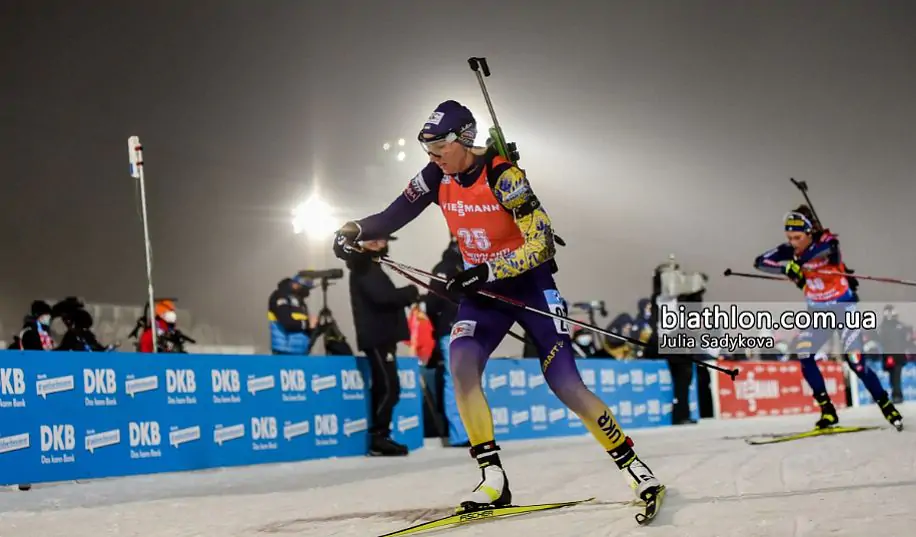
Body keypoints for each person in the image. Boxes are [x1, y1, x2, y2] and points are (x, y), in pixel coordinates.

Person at [333, 100, 663, 517]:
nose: (432, 158)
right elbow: (390, 217)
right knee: (462, 366)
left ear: (464, 141)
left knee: (565, 383)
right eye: (427, 149)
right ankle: (493, 478)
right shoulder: (436, 175)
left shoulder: (503, 176)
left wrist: (488, 269)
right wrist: (354, 230)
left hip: (531, 288)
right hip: (483, 294)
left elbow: (540, 243)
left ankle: (635, 468)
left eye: (439, 148)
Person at [753, 205, 903, 430]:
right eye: (789, 238)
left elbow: (824, 251)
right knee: (805, 353)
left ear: (810, 232)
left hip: (844, 311)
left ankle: (886, 404)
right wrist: (786, 270)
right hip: (819, 315)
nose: (794, 242)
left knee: (855, 363)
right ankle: (828, 411)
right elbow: (760, 262)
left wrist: (798, 263)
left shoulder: (827, 244)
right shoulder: (792, 251)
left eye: (798, 237)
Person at [347, 234, 419, 456]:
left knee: (388, 387)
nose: (380, 244)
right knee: (388, 388)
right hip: (377, 337)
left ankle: (382, 436)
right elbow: (382, 297)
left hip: (383, 337)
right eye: (374, 240)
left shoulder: (371, 266)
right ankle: (379, 437)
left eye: (383, 240)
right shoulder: (364, 267)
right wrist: (410, 293)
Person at [425, 236, 470, 446]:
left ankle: (473, 432)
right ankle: (459, 435)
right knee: (455, 382)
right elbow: (432, 303)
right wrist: (442, 323)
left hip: (470, 330)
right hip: (452, 329)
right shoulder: (445, 267)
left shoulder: (471, 266)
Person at [268, 275, 316, 355]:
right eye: (305, 289)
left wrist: (313, 327)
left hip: (301, 352)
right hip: (284, 352)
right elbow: (288, 322)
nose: (307, 293)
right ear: (295, 284)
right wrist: (308, 324)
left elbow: (304, 330)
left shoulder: (300, 302)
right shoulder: (280, 296)